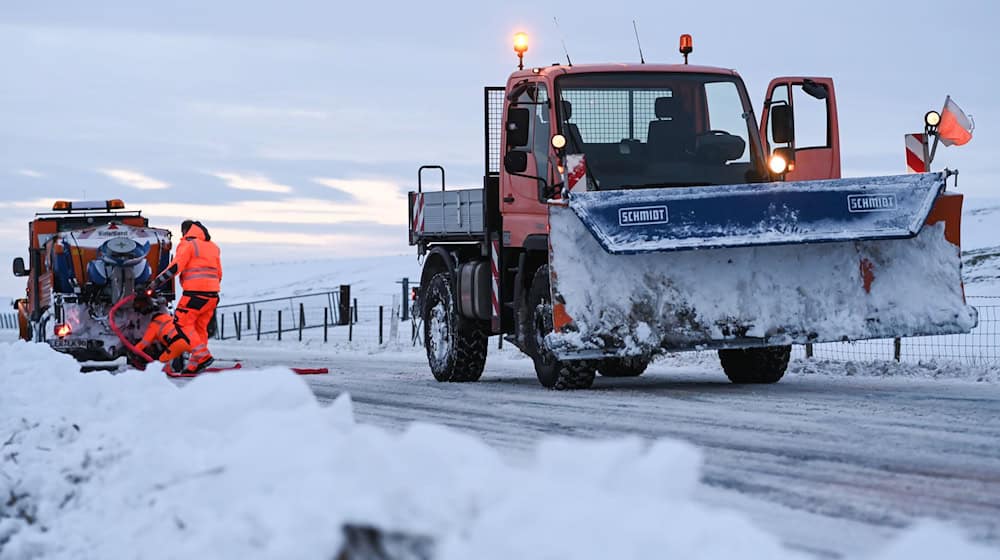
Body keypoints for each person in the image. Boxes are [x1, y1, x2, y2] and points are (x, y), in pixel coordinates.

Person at [148, 220, 222, 373]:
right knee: (199, 328)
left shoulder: (188, 244)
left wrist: (155, 283)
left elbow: (175, 267)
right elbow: (219, 273)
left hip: (195, 294)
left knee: (181, 323)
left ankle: (203, 356)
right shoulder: (213, 247)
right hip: (213, 295)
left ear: (186, 231)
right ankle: (194, 365)